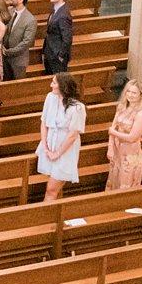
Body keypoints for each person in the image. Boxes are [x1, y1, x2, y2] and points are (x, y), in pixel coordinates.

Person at [37, 72, 86, 201]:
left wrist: (57, 153)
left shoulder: (78, 108)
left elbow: (73, 134)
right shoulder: (50, 97)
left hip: (65, 149)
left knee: (51, 188)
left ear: (62, 86)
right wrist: (45, 147)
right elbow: (44, 123)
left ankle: (44, 217)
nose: (50, 85)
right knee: (53, 186)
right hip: (49, 142)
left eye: (54, 83)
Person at [106, 79, 142, 191]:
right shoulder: (122, 107)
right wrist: (110, 148)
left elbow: (132, 138)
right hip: (117, 152)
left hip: (129, 155)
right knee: (114, 181)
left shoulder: (141, 114)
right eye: (128, 91)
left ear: (141, 95)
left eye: (134, 93)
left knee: (125, 186)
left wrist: (114, 133)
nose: (130, 95)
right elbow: (113, 126)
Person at [2, 0, 38, 82]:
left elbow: (27, 42)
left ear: (21, 0)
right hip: (4, 58)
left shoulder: (30, 20)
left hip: (18, 61)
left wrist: (9, 52)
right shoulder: (9, 11)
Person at [43, 0, 75, 74]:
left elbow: (67, 39)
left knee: (58, 81)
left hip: (57, 56)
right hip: (50, 52)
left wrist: (60, 55)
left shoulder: (63, 15)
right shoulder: (55, 9)